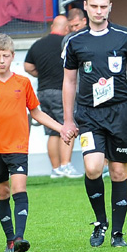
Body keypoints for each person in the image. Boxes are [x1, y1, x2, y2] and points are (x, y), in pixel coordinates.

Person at [61, 0, 127, 248]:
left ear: (110, 7)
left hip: (120, 112)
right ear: (85, 7)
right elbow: (69, 81)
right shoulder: (74, 41)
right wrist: (68, 120)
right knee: (93, 167)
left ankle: (117, 233)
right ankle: (101, 222)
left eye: (104, 6)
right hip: (88, 115)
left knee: (119, 172)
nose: (99, 11)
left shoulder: (125, 36)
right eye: (94, 6)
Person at [0, 34, 70, 252]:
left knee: (19, 188)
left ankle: (19, 238)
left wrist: (61, 128)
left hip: (17, 148)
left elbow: (36, 112)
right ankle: (9, 239)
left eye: (6, 56)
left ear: (13, 56)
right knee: (2, 192)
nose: (2, 60)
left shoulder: (23, 83)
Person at [24, 15, 83, 179]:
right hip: (61, 92)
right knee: (67, 126)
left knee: (52, 131)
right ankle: (66, 165)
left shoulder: (38, 44)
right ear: (67, 29)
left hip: (43, 92)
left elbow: (27, 66)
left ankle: (56, 169)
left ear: (52, 27)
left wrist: (41, 74)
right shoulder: (67, 43)